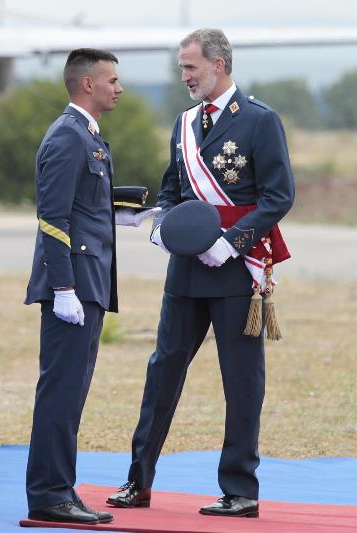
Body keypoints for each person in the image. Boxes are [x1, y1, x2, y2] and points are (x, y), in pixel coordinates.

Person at [107, 28, 295, 519]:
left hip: (237, 274)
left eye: (191, 67)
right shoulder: (184, 122)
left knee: (242, 381)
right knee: (162, 372)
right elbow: (174, 188)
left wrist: (230, 243)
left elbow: (279, 196)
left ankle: (240, 490)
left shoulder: (259, 120)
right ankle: (138, 481)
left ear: (220, 64)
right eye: (182, 68)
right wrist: (163, 225)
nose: (185, 77)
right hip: (187, 270)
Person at [23, 48, 122, 526]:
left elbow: (83, 206)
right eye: (112, 80)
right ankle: (48, 494)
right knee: (61, 392)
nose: (119, 88)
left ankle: (60, 487)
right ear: (87, 84)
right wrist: (63, 287)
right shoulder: (68, 135)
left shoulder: (88, 135)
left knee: (71, 393)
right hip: (74, 286)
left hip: (89, 282)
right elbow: (53, 217)